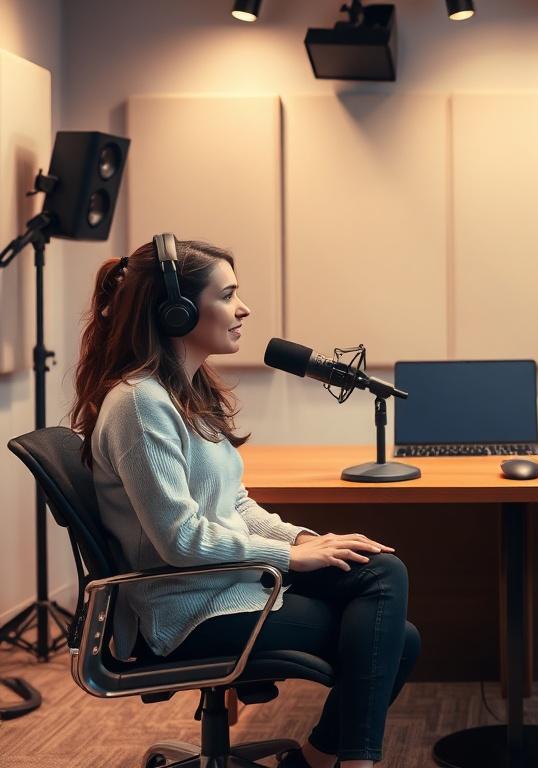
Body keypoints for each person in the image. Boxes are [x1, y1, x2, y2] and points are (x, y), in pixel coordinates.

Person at [70, 237, 418, 768]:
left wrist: (303, 539)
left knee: (383, 572)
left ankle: (326, 762)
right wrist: (290, 558)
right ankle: (349, 762)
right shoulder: (141, 404)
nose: (244, 308)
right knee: (396, 639)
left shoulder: (185, 392)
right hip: (184, 608)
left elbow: (235, 504)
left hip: (225, 579)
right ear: (177, 310)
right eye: (228, 294)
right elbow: (180, 539)